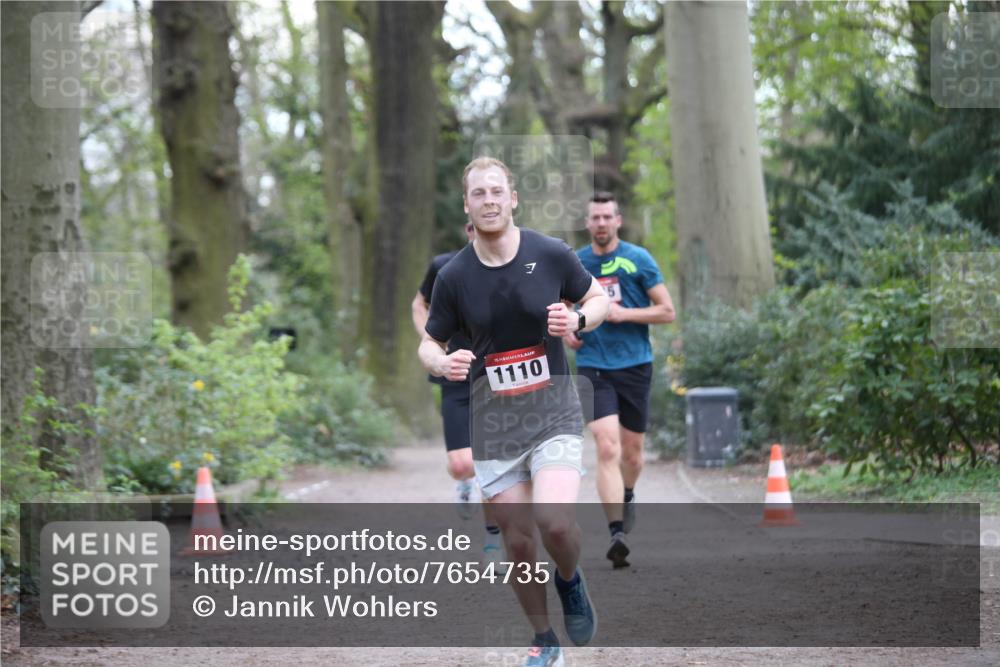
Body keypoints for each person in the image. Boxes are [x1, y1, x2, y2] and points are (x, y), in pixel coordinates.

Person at [418, 157, 610, 667]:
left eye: (496, 191)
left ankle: (569, 579)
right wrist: (441, 362)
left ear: (513, 198)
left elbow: (598, 299)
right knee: (518, 540)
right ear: (467, 205)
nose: (489, 200)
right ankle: (544, 638)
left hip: (553, 410)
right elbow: (429, 342)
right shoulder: (454, 276)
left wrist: (577, 318)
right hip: (495, 421)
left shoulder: (550, 253)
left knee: (555, 523)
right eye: (478, 193)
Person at [564, 192, 675, 569]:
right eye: (594, 217)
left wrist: (623, 315)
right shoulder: (576, 262)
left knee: (632, 453)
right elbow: (562, 309)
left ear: (617, 221)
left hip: (635, 364)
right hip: (593, 365)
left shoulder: (638, 259)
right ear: (587, 222)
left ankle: (627, 493)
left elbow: (667, 311)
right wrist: (569, 332)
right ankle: (616, 534)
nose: (600, 223)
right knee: (607, 446)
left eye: (606, 217)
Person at [411, 222, 505, 567]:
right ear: (467, 230)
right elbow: (419, 305)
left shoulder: (510, 268)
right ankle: (465, 483)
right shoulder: (445, 267)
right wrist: (433, 342)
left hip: (495, 377)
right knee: (462, 464)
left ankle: (493, 540)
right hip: (456, 374)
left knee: (491, 462)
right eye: (472, 228)